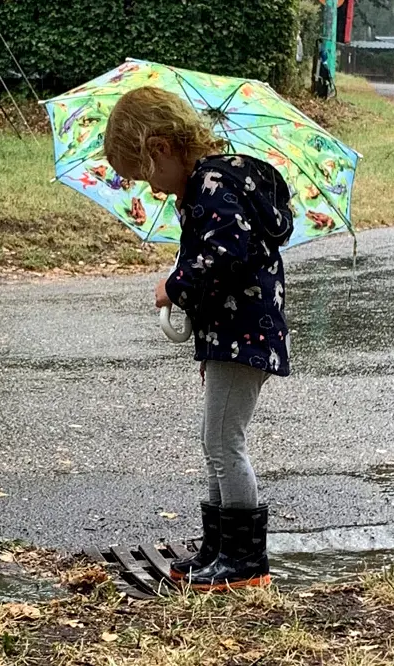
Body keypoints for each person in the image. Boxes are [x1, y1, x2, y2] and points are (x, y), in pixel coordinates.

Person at [104, 87, 294, 591]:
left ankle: (246, 562)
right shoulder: (211, 186)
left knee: (224, 442)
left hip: (245, 332)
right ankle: (219, 549)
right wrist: (206, 340)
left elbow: (225, 257)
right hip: (233, 334)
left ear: (162, 148)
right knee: (214, 441)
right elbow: (224, 266)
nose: (152, 188)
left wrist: (175, 285)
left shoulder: (213, 186)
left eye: (147, 175)